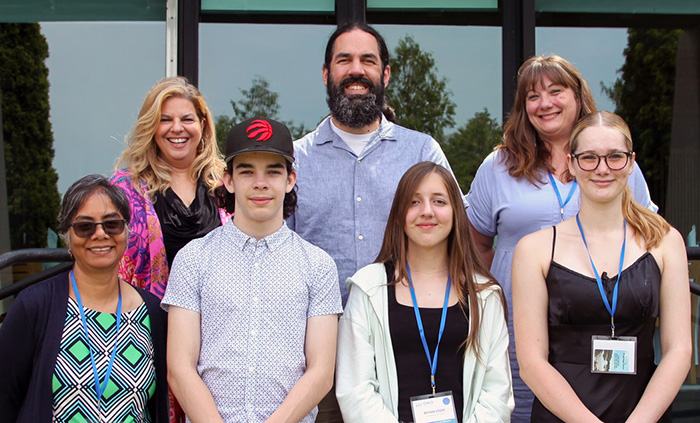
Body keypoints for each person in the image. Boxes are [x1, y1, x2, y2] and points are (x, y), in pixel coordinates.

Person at [465, 54, 657, 423]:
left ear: (578, 97)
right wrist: (495, 298)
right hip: (517, 333)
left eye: (556, 91)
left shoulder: (616, 165)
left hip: (597, 330)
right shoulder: (498, 167)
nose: (545, 103)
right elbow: (476, 245)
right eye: (532, 96)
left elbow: (647, 238)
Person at [512, 111, 691, 422]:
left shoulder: (664, 242)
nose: (603, 168)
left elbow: (679, 351)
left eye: (615, 157)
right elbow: (531, 363)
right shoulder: (534, 250)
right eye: (589, 158)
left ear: (631, 162)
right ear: (571, 163)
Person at [162, 117, 343, 422]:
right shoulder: (193, 259)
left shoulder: (318, 265)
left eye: (273, 171)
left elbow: (321, 372)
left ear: (290, 179)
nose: (260, 183)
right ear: (229, 180)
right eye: (247, 171)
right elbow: (180, 369)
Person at [290, 23, 460, 305]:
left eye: (368, 60)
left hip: (406, 324)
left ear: (386, 74)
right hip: (318, 326)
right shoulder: (296, 160)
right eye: (344, 60)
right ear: (326, 74)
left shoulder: (421, 151)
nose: (356, 70)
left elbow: (457, 236)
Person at [336, 161, 513, 423]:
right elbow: (356, 390)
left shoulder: (484, 295)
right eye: (414, 202)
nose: (427, 211)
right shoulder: (368, 289)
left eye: (439, 201)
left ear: (456, 212)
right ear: (399, 214)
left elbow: (497, 393)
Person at [0, 174, 169, 422]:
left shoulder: (152, 311)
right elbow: (5, 399)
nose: (100, 234)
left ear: (127, 231)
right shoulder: (34, 305)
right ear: (66, 236)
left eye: (112, 224)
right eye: (84, 227)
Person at [111, 76, 230, 300]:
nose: (177, 128)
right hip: (149, 315)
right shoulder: (125, 189)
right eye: (165, 120)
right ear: (151, 127)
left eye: (187, 119)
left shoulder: (227, 186)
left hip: (219, 317)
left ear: (202, 124)